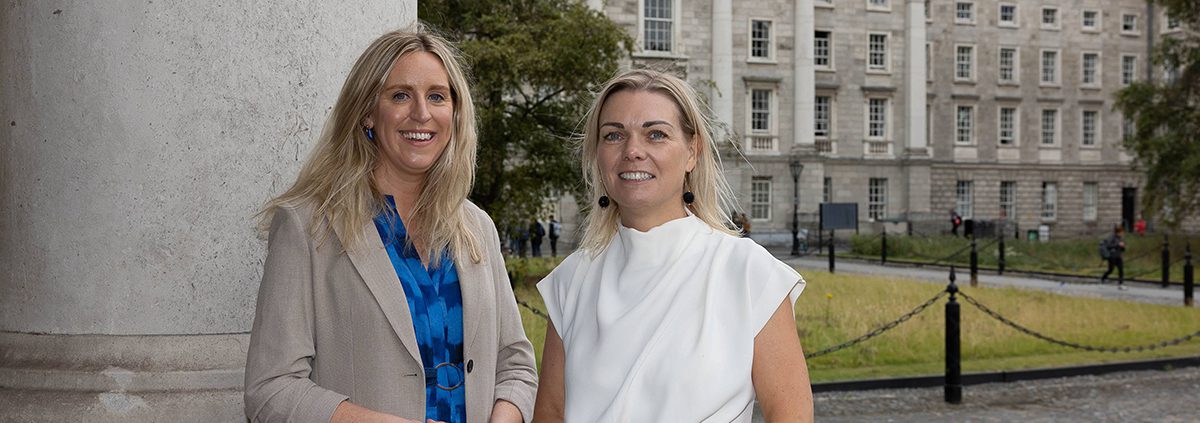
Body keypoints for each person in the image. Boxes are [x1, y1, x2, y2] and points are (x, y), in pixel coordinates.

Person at [243, 27, 537, 423]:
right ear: (367, 111)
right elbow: (271, 390)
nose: (422, 113)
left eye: (437, 96)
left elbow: (516, 365)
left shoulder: (477, 227)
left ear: (455, 111)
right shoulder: (307, 226)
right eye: (400, 95)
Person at [533, 69, 813, 422]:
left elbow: (790, 415)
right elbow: (551, 414)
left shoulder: (747, 272)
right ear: (597, 154)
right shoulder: (571, 280)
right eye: (614, 135)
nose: (633, 151)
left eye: (656, 135)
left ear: (692, 152)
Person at [1101, 225, 1128, 290]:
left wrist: (1123, 247)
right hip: (1112, 256)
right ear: (1118, 232)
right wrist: (1117, 245)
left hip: (1118, 256)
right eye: (1121, 232)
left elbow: (1122, 249)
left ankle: (1121, 283)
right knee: (1111, 269)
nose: (1122, 233)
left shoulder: (1120, 238)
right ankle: (1103, 278)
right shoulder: (1112, 237)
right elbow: (1108, 245)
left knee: (1121, 269)